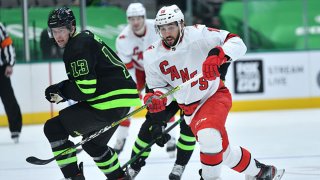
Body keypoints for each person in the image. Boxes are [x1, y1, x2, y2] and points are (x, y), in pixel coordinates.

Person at [143, 4, 284, 180]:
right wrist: (158, 98)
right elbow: (162, 88)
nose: (167, 33)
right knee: (223, 153)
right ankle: (262, 172)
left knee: (209, 136)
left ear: (181, 24)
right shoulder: (151, 55)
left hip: (213, 96)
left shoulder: (199, 34)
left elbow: (237, 42)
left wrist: (219, 54)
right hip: (190, 111)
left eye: (171, 27)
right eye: (162, 29)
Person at [43, 7, 141, 180]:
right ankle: (119, 178)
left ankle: (74, 177)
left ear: (71, 27)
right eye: (54, 31)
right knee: (94, 146)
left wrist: (62, 90)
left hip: (108, 102)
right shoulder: (84, 40)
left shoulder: (77, 46)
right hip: (120, 101)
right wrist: (63, 88)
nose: (58, 36)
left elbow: (85, 90)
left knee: (53, 128)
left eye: (62, 30)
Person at [114, 2, 178, 157]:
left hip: (158, 68)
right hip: (138, 71)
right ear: (128, 19)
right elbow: (128, 68)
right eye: (131, 19)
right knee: (127, 103)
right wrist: (134, 89)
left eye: (138, 18)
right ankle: (120, 139)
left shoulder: (157, 29)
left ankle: (172, 139)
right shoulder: (122, 39)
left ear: (144, 17)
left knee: (164, 99)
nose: (135, 22)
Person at [0, 22, 22, 144]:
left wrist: (9, 63)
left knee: (8, 99)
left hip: (1, 70)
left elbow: (7, 44)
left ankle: (15, 129)